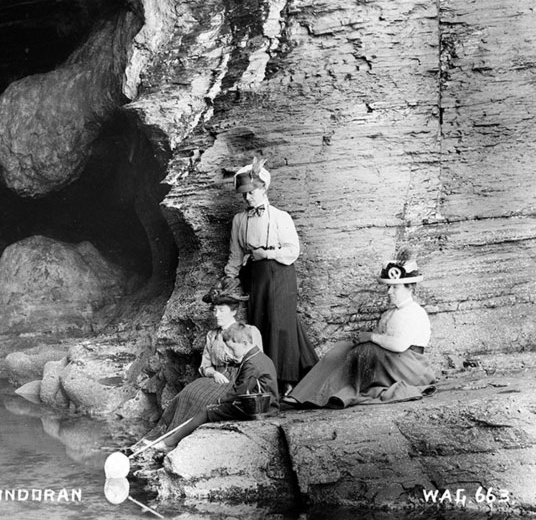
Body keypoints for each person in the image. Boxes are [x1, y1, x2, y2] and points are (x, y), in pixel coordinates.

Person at [284, 247, 436, 408]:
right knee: (342, 349)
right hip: (391, 364)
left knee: (363, 351)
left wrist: (370, 337)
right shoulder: (390, 313)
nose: (389, 292)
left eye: (395, 287)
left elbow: (399, 346)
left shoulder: (414, 312)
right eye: (388, 287)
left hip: (410, 368)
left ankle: (322, 395)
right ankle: (303, 394)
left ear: (410, 288)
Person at [222, 157, 317, 390]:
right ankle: (266, 379)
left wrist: (269, 255)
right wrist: (229, 277)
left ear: (263, 188)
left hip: (281, 273)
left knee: (281, 324)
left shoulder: (280, 217)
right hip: (255, 277)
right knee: (260, 323)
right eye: (243, 194)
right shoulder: (239, 220)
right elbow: (235, 254)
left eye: (251, 192)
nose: (247, 197)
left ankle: (287, 381)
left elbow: (293, 250)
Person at [136, 287, 263, 451]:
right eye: (215, 310)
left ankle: (176, 442)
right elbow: (205, 366)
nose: (216, 314)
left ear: (233, 311)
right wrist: (214, 373)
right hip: (216, 378)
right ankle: (165, 437)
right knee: (187, 393)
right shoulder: (212, 335)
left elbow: (258, 360)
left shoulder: (250, 331)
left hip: (241, 379)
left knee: (205, 400)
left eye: (221, 310)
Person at [142, 323, 279, 450]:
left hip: (258, 409)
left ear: (244, 343)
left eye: (232, 348)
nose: (231, 352)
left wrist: (220, 401)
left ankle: (169, 443)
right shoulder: (258, 357)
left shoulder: (251, 363)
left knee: (207, 411)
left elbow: (240, 390)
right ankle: (170, 440)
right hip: (266, 405)